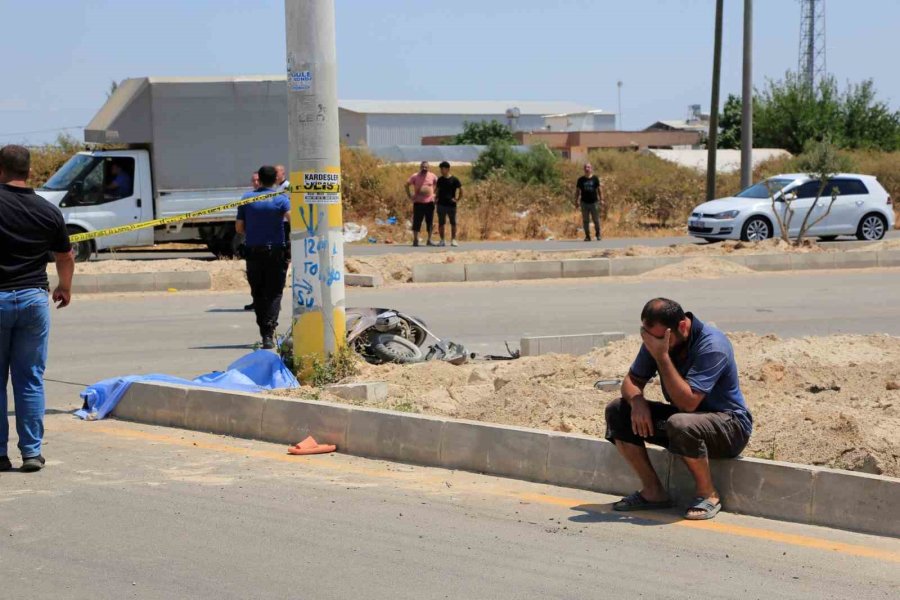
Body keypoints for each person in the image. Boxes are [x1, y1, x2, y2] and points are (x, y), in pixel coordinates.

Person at [604, 298, 752, 520]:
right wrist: (637, 402)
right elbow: (631, 381)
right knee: (618, 410)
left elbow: (688, 403)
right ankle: (653, 492)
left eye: (660, 338)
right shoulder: (659, 339)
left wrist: (661, 356)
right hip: (686, 424)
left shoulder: (712, 345)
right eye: (648, 336)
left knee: (680, 423)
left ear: (682, 326)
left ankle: (708, 494)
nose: (653, 342)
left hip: (730, 428)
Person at [0, 145, 74, 473]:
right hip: (33, 299)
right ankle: (31, 452)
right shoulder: (47, 211)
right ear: (30, 172)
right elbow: (65, 256)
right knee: (29, 379)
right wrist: (65, 287)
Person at [236, 166, 290, 349]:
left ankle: (265, 334)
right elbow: (294, 220)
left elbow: (239, 229)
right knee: (274, 293)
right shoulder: (281, 199)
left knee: (258, 294)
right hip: (276, 252)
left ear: (259, 179)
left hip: (254, 252)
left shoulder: (246, 199)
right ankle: (270, 330)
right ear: (276, 179)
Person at [405, 161, 438, 247]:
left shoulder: (432, 176)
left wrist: (435, 195)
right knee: (417, 222)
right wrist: (409, 195)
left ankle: (429, 240)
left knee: (429, 222)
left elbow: (439, 185)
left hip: (430, 203)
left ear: (428, 168)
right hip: (418, 202)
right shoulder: (415, 176)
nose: (424, 168)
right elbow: (406, 185)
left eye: (426, 167)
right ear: (420, 167)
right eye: (423, 167)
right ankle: (415, 240)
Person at [244, 171, 261, 312]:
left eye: (258, 180)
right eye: (253, 180)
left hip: (270, 244)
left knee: (268, 277)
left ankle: (272, 304)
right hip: (252, 243)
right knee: (253, 276)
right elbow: (239, 224)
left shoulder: (274, 197)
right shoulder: (248, 198)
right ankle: (256, 301)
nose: (255, 183)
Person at [435, 161, 462, 247]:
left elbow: (461, 189)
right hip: (441, 204)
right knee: (441, 223)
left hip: (451, 205)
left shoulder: (454, 179)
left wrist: (457, 199)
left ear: (447, 169)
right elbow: (437, 190)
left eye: (442, 169)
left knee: (453, 223)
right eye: (440, 169)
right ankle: (442, 240)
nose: (441, 171)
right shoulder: (440, 179)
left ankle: (453, 240)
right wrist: (435, 198)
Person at [574, 163, 602, 241]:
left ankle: (598, 234)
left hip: (594, 203)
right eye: (586, 167)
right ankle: (587, 236)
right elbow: (577, 191)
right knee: (585, 220)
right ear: (584, 169)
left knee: (596, 219)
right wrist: (576, 201)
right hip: (584, 203)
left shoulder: (595, 178)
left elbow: (599, 190)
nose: (587, 169)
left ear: (591, 169)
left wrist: (601, 199)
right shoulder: (580, 180)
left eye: (588, 167)